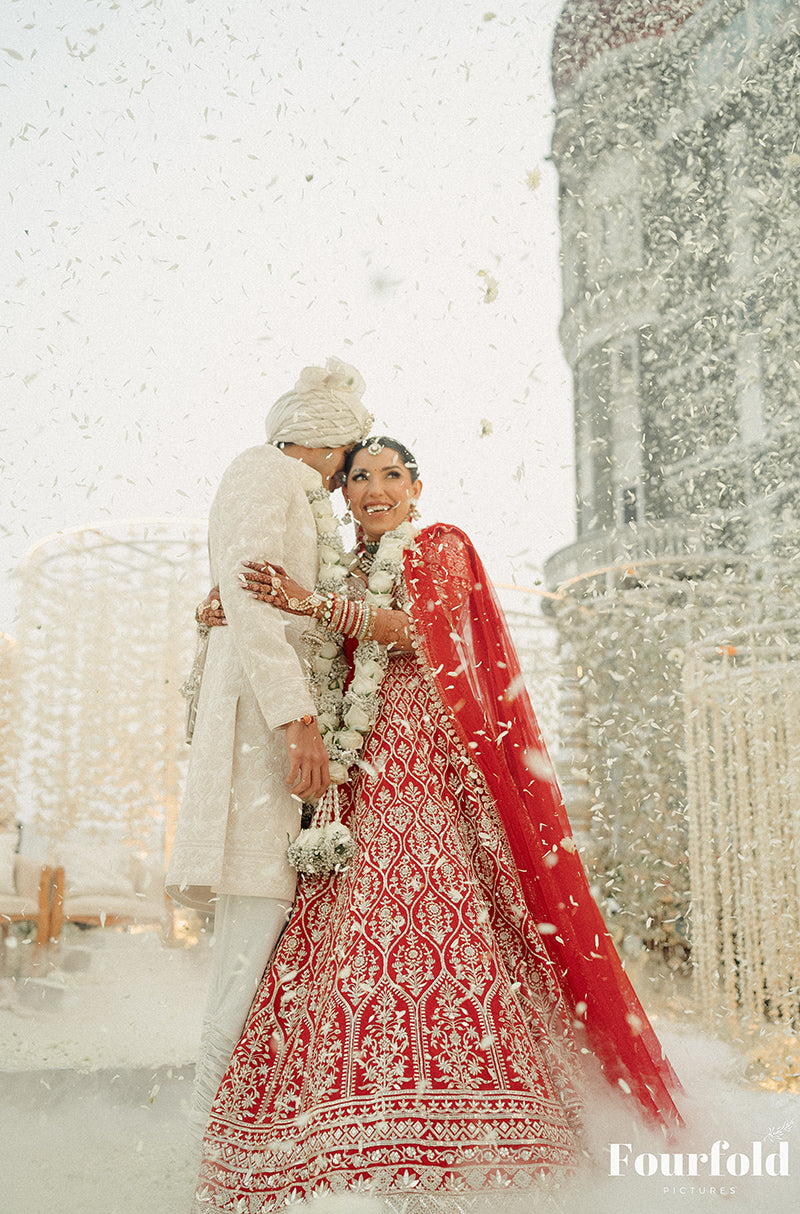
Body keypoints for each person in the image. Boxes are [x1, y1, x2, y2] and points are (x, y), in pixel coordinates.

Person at [192, 438, 682, 1211]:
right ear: (343, 495)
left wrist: (308, 602)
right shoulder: (339, 567)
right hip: (354, 775)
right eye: (360, 478)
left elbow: (421, 633)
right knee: (342, 923)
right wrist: (226, 603)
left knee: (426, 911)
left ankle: (473, 1140)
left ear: (418, 487)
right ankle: (332, 1140)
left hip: (422, 757)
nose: (375, 489)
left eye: (391, 476)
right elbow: (309, 639)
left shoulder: (438, 545)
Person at [165, 358, 372, 1141]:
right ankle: (210, 1134)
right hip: (263, 734)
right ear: (327, 447)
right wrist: (300, 723)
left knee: (268, 935)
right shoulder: (266, 473)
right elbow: (253, 604)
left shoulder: (285, 487)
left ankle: (242, 1127)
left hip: (274, 728)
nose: (348, 475)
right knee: (251, 937)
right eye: (349, 458)